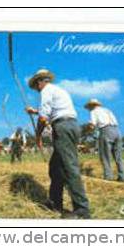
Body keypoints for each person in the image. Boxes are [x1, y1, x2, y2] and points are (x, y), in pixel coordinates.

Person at [26, 69, 90, 219]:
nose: (36, 90)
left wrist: (38, 136)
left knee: (69, 167)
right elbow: (51, 111)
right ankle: (54, 202)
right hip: (70, 125)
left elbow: (43, 118)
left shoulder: (46, 91)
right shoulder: (57, 90)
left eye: (36, 87)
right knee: (55, 167)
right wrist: (34, 111)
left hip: (63, 127)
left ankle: (82, 210)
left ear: (39, 82)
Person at [84, 99, 124, 181]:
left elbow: (92, 125)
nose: (88, 109)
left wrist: (87, 130)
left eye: (89, 107)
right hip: (117, 131)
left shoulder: (93, 112)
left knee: (105, 156)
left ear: (91, 106)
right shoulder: (107, 110)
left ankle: (108, 176)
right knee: (118, 157)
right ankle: (122, 176)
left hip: (106, 131)